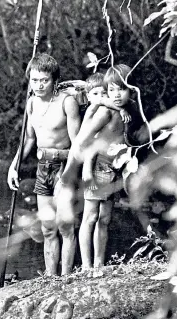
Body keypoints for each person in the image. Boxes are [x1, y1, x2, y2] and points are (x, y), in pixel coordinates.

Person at [7, 54, 81, 276]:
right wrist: (14, 166)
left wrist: (68, 175)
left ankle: (66, 276)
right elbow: (29, 138)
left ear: (54, 80)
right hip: (43, 166)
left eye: (44, 80)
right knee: (48, 228)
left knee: (65, 226)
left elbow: (78, 143)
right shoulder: (31, 102)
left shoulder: (67, 102)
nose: (39, 85)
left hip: (64, 165)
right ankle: (50, 276)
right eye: (34, 80)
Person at [72, 65, 134, 272]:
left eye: (121, 89)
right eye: (111, 90)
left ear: (131, 89)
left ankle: (99, 263)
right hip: (97, 167)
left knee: (105, 218)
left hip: (115, 169)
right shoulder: (106, 112)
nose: (116, 95)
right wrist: (87, 170)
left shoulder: (133, 108)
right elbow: (84, 140)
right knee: (90, 216)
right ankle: (87, 266)